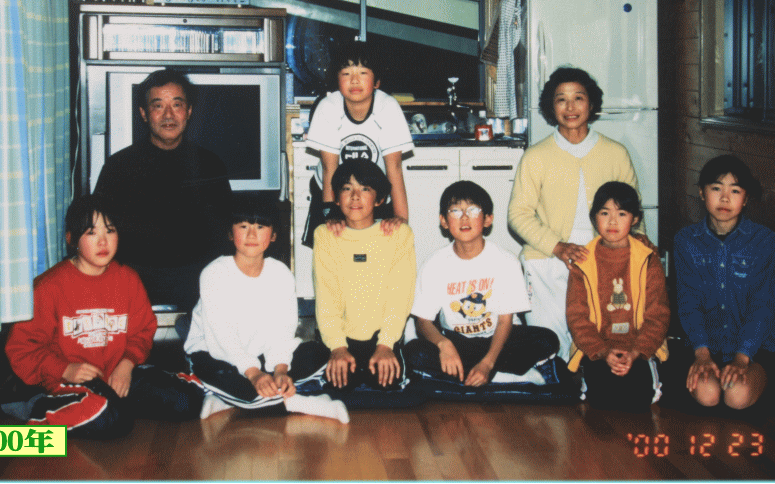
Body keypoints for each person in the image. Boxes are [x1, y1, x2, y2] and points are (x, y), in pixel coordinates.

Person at [3, 195, 206, 439]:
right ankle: (36, 406)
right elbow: (21, 348)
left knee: (187, 401)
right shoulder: (49, 287)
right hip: (69, 380)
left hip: (117, 373)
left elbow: (142, 332)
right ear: (71, 239)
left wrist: (127, 364)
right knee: (114, 421)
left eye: (110, 230)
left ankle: (110, 405)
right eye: (91, 232)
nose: (103, 241)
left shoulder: (128, 279)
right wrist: (65, 369)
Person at [508, 67, 641, 361]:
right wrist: (558, 247)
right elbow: (518, 214)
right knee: (551, 348)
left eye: (578, 98)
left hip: (604, 261)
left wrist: (634, 257)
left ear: (591, 104)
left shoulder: (616, 153)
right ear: (551, 106)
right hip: (546, 261)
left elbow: (634, 213)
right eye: (561, 100)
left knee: (600, 347)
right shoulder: (536, 156)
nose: (570, 107)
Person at [184, 194, 349, 422]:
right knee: (243, 387)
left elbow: (283, 331)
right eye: (243, 226)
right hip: (217, 354)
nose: (252, 235)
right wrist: (254, 375)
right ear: (230, 233)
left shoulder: (280, 273)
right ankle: (301, 403)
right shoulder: (215, 273)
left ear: (273, 235)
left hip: (260, 356)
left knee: (321, 355)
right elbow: (223, 339)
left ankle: (224, 399)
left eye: (260, 227)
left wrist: (280, 370)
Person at [94, 69, 233, 312]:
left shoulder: (210, 164)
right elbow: (98, 233)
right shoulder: (119, 166)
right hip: (135, 285)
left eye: (177, 105)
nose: (168, 115)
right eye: (158, 106)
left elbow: (225, 235)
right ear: (144, 113)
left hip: (199, 285)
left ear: (189, 111)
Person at [404, 181, 559, 388]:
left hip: (500, 339)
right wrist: (444, 345)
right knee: (414, 352)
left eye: (473, 210)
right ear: (444, 221)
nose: (464, 218)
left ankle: (477, 374)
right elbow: (423, 322)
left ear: (487, 219)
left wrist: (487, 363)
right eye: (455, 211)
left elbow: (505, 321)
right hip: (458, 342)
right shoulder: (434, 264)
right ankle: (508, 376)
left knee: (547, 340)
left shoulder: (506, 261)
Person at [675, 155, 775, 410]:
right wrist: (702, 354)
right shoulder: (685, 240)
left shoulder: (764, 240)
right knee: (708, 395)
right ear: (702, 193)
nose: (724, 198)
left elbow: (762, 305)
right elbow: (688, 302)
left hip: (751, 352)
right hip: (704, 348)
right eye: (716, 188)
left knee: (737, 396)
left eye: (735, 190)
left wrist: (742, 358)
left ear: (745, 199)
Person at [313, 159, 417, 392]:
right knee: (337, 385)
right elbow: (326, 297)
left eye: (365, 189)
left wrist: (386, 345)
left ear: (380, 199)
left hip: (382, 338)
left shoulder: (398, 234)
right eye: (347, 188)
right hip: (342, 338)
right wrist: (337, 347)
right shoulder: (325, 235)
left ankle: (396, 350)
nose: (355, 197)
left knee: (385, 383)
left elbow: (400, 296)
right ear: (336, 198)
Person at [566, 182, 669, 412]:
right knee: (604, 399)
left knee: (638, 398)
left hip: (639, 347)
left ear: (634, 219)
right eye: (605, 213)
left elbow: (658, 314)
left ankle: (650, 373)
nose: (612, 222)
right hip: (598, 349)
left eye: (621, 214)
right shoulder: (582, 262)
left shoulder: (648, 258)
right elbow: (577, 317)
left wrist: (636, 352)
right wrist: (603, 352)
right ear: (594, 218)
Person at [302, 41, 414, 247]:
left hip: (375, 193)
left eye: (363, 73)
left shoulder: (388, 108)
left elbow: (394, 168)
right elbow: (329, 169)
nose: (354, 80)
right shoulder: (327, 108)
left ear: (376, 82)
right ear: (337, 80)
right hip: (331, 190)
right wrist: (331, 215)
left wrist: (401, 218)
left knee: (378, 250)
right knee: (331, 245)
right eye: (346, 73)